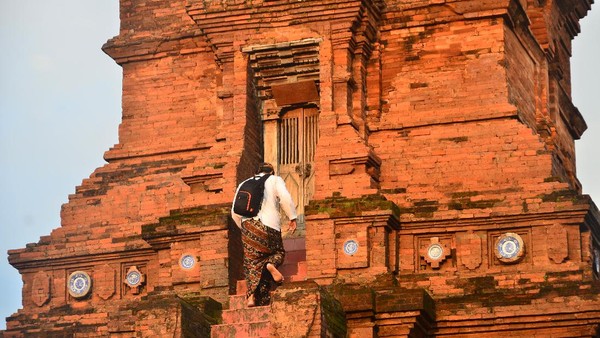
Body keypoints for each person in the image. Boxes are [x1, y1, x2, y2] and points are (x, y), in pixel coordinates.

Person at [231, 162, 298, 307]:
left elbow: (234, 211)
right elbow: (285, 198)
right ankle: (270, 264)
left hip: (248, 227)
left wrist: (244, 228)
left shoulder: (244, 183)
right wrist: (292, 217)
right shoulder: (275, 180)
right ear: (271, 172)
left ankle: (251, 297)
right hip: (269, 226)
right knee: (277, 252)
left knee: (252, 264)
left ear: (257, 172)